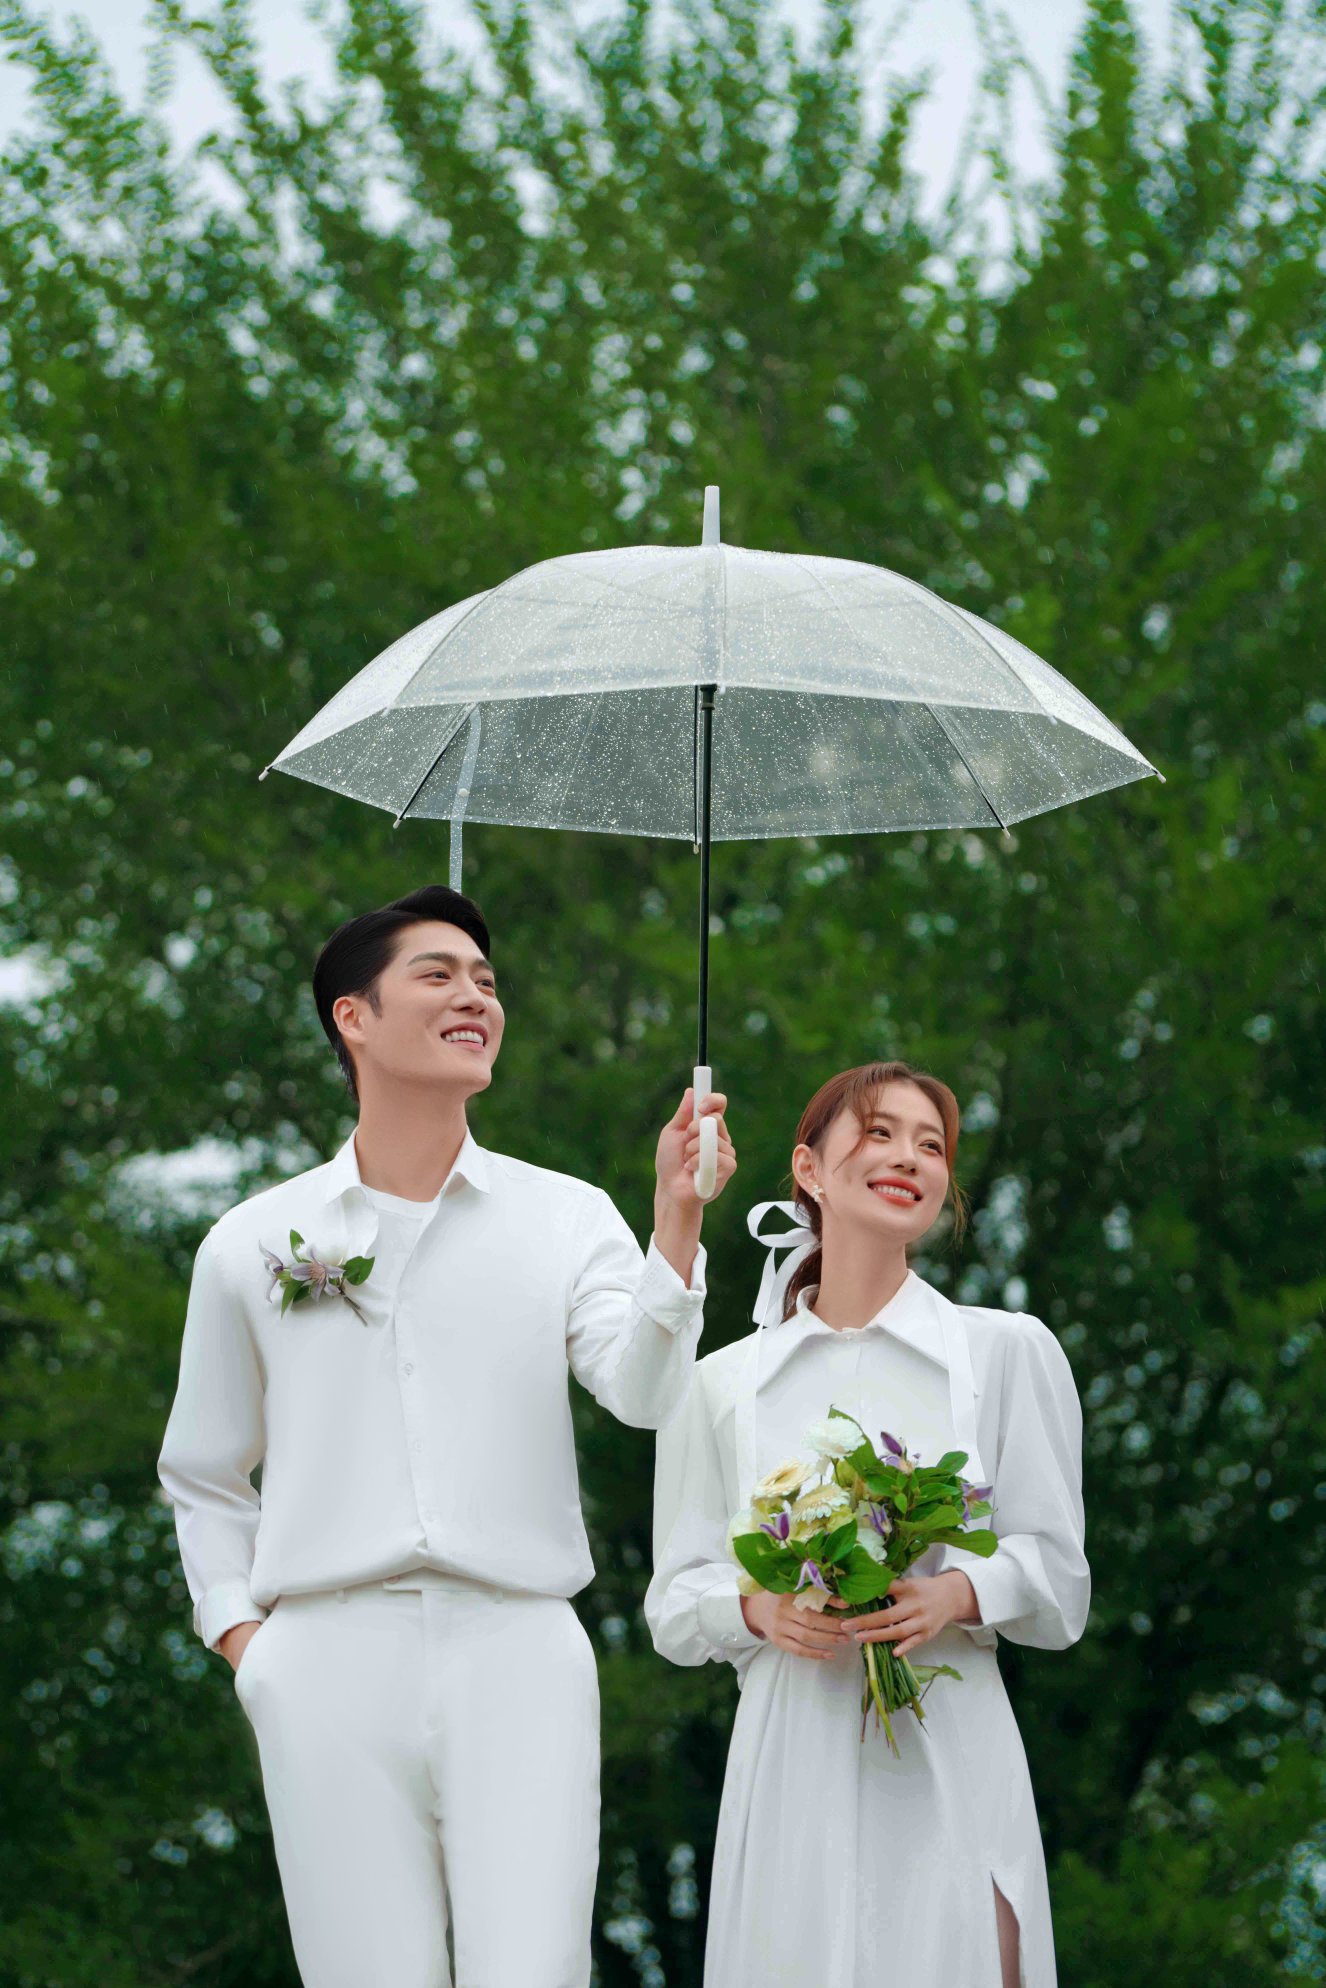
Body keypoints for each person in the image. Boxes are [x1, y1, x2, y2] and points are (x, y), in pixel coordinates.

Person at [158, 883, 735, 1988]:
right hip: (321, 1656)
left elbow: (646, 1393)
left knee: (536, 1971)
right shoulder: (250, 1240)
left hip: (520, 1646)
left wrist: (677, 1219)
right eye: (439, 973)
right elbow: (204, 1472)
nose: (477, 995)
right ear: (353, 1017)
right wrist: (247, 1646)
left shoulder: (566, 1214)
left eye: (487, 980)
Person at [645, 1059, 1088, 1988]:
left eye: (931, 1145)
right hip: (791, 1749)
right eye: (880, 1132)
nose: (909, 1158)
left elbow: (1060, 1580)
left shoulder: (1004, 1351)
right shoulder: (721, 1382)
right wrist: (759, 1609)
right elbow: (675, 1604)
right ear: (809, 1168)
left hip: (949, 1737)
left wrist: (956, 1593)